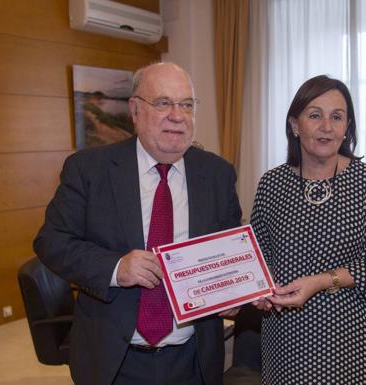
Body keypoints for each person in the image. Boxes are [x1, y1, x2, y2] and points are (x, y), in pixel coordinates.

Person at [34, 62, 242, 385]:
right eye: (163, 103)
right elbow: (51, 241)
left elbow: (228, 253)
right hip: (114, 360)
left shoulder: (217, 174)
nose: (177, 115)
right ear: (135, 110)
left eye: (186, 104)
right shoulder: (89, 170)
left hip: (193, 359)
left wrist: (234, 294)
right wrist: (116, 268)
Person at [250, 75, 366, 384]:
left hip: (356, 342)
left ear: (347, 127)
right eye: (315, 115)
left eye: (337, 117)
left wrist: (319, 282)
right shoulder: (271, 184)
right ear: (295, 124)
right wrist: (256, 289)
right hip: (288, 342)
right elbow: (257, 259)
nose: (326, 127)